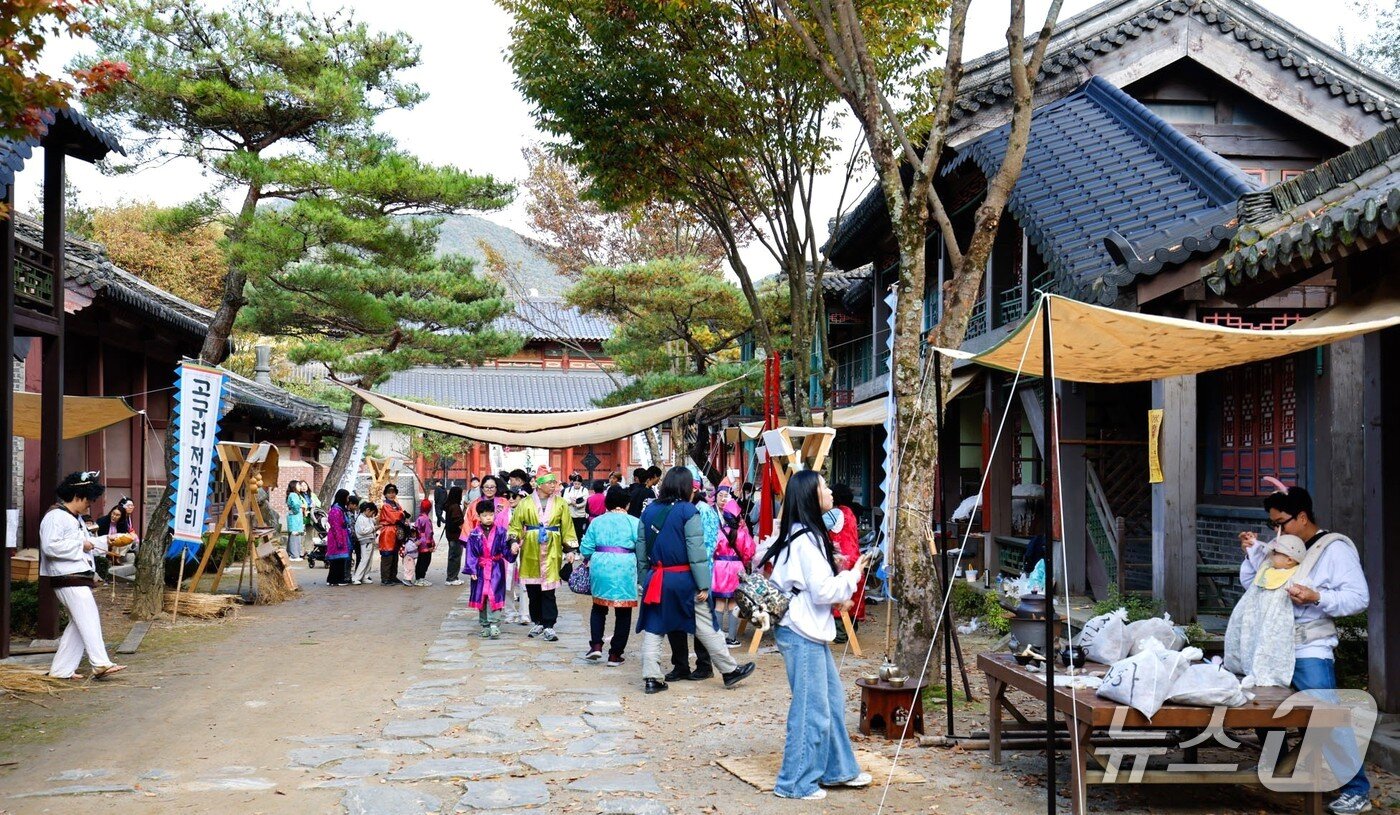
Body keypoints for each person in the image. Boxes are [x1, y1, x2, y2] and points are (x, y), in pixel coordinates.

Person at [1238, 486, 1371, 815]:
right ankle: (1285, 768)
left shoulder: (1334, 549)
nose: (1277, 531)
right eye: (1272, 525)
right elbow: (1252, 583)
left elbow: (1359, 598)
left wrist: (1317, 598)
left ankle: (1357, 789)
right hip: (1271, 645)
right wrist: (1252, 554)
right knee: (1263, 708)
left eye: (1281, 523)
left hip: (1309, 644)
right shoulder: (1279, 546)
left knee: (1326, 714)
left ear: (1302, 517)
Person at [764, 469, 872, 800]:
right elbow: (823, 590)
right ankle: (794, 783)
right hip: (801, 630)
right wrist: (853, 575)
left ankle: (838, 769)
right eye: (824, 487)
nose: (829, 492)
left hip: (806, 628)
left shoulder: (807, 535)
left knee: (831, 701)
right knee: (811, 708)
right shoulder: (805, 539)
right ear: (812, 496)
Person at [635, 466, 754, 694]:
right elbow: (696, 551)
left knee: (654, 627)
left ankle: (652, 678)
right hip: (683, 579)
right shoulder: (688, 511)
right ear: (686, 487)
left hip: (656, 578)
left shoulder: (648, 511)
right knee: (705, 624)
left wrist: (645, 579)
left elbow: (641, 549)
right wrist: (703, 585)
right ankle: (729, 671)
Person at [41, 471, 127, 680]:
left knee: (79, 623)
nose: (90, 504)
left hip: (77, 575)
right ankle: (100, 662)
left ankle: (61, 670)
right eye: (88, 499)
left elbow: (88, 545)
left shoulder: (75, 518)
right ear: (78, 496)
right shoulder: (55, 517)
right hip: (67, 576)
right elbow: (51, 547)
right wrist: (82, 544)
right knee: (88, 617)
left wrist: (110, 540)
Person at [509, 474, 577, 641]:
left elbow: (567, 526)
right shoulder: (525, 503)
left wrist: (569, 549)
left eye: (554, 482)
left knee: (548, 589)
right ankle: (537, 620)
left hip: (552, 547)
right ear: (539, 485)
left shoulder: (561, 503)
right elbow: (515, 525)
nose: (553, 485)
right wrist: (513, 541)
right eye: (549, 483)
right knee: (533, 588)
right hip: (531, 547)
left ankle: (549, 624)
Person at [579, 487, 641, 666]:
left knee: (599, 607)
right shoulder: (634, 522)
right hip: (624, 567)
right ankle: (615, 654)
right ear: (627, 504)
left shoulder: (597, 522)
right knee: (623, 612)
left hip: (600, 565)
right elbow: (641, 546)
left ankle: (596, 645)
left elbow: (585, 549)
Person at [667, 478, 721, 681]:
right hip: (678, 573)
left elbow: (706, 546)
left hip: (697, 574)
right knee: (676, 621)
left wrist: (702, 580)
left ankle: (704, 664)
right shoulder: (678, 509)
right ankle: (680, 664)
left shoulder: (703, 511)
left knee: (701, 622)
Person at [464, 500, 519, 639]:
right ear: (479, 516)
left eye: (491, 514)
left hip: (496, 569)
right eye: (485, 515)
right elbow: (471, 553)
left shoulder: (501, 532)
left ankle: (494, 623)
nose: (488, 518)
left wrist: (513, 551)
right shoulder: (474, 534)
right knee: (482, 597)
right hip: (481, 569)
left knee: (495, 595)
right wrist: (472, 570)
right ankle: (485, 625)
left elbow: (506, 550)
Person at [713, 486, 756, 645]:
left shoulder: (718, 532)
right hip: (736, 568)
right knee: (732, 604)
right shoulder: (743, 534)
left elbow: (711, 548)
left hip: (719, 568)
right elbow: (750, 552)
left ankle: (717, 638)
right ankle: (732, 638)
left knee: (718, 604)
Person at [828, 483, 866, 645]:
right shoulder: (850, 512)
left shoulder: (835, 513)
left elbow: (818, 526)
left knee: (839, 593)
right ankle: (852, 629)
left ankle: (840, 634)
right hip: (854, 556)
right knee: (852, 594)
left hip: (841, 558)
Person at [378, 484, 407, 586]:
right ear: (385, 494)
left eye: (393, 492)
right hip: (388, 532)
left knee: (394, 555)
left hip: (396, 531)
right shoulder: (386, 506)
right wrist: (402, 514)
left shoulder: (396, 505)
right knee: (387, 556)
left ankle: (393, 576)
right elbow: (394, 517)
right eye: (389, 492)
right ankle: (385, 578)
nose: (391, 494)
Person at [325, 489, 353, 586]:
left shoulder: (340, 509)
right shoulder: (336, 510)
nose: (348, 499)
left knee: (339, 560)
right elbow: (336, 527)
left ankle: (334, 579)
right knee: (337, 560)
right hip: (337, 537)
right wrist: (340, 541)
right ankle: (337, 579)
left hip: (341, 535)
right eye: (347, 497)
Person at [352, 500, 379, 585]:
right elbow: (362, 531)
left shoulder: (368, 518)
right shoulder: (361, 518)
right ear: (367, 510)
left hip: (370, 540)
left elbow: (374, 521)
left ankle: (365, 576)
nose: (372, 515)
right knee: (364, 560)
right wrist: (375, 528)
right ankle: (356, 577)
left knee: (369, 560)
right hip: (365, 541)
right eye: (372, 513)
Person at [444, 486, 467, 586]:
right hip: (456, 535)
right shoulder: (455, 507)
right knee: (455, 556)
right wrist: (466, 532)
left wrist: (465, 508)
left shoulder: (451, 505)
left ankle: (452, 577)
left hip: (451, 534)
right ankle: (451, 578)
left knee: (453, 556)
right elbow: (459, 522)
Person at [410, 498, 434, 586]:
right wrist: (430, 545)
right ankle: (421, 578)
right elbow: (429, 533)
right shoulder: (426, 519)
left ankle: (418, 578)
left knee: (420, 560)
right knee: (425, 561)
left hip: (419, 541)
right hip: (425, 543)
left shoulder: (419, 518)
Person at [563, 474, 590, 541]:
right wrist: (571, 502)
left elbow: (585, 501)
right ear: (573, 483)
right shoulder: (568, 490)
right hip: (570, 514)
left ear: (581, 483)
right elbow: (564, 500)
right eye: (575, 484)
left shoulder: (585, 490)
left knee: (579, 532)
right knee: (571, 531)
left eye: (578, 484)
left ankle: (578, 547)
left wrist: (576, 505)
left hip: (580, 515)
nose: (577, 485)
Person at [285, 479, 307, 560]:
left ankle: (291, 554)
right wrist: (301, 506)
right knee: (295, 535)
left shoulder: (293, 494)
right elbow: (295, 506)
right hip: (295, 518)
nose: (300, 486)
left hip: (295, 518)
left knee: (294, 535)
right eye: (298, 485)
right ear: (294, 486)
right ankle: (294, 555)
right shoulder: (294, 495)